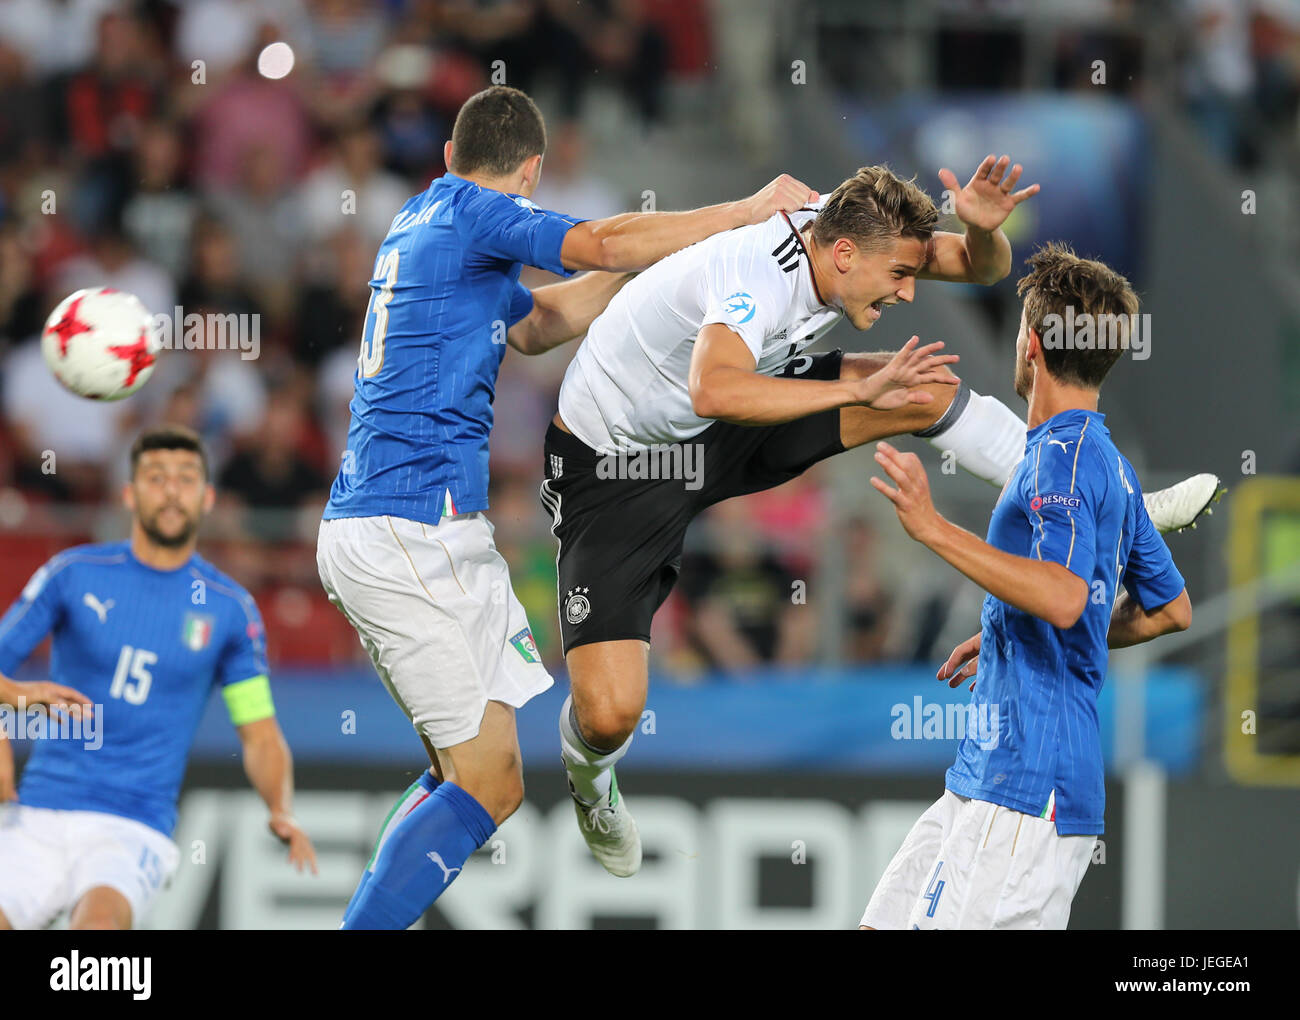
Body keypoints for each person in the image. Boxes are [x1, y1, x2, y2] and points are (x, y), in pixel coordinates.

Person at [540, 160, 1219, 877]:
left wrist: (985, 233)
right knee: (612, 713)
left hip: (717, 416)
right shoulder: (755, 273)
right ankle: (592, 784)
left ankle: (1118, 505)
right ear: (841, 256)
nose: (908, 290)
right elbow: (713, 388)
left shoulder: (856, 227)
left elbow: (976, 267)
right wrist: (856, 394)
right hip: (614, 467)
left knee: (917, 388)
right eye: (897, 275)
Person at [315, 84, 818, 929]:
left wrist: (655, 278)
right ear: (534, 171)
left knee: (484, 781)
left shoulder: (424, 220)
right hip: (408, 528)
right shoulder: (481, 213)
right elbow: (598, 241)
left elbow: (540, 321)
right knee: (483, 783)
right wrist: (743, 211)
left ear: (448, 154)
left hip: (415, 528)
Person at [860, 243, 1191, 929]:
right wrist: (1016, 624)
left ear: (1032, 344)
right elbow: (1169, 609)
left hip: (1030, 789)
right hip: (986, 779)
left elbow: (1066, 596)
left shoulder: (1065, 461)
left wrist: (933, 528)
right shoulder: (1109, 465)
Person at [0, 425, 317, 930]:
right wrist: (13, 701)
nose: (171, 490)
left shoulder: (230, 609)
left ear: (208, 497)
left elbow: (258, 731)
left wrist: (281, 807)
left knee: (98, 934)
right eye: (155, 477)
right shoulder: (73, 572)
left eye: (186, 478)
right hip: (37, 812)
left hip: (133, 825)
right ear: (129, 493)